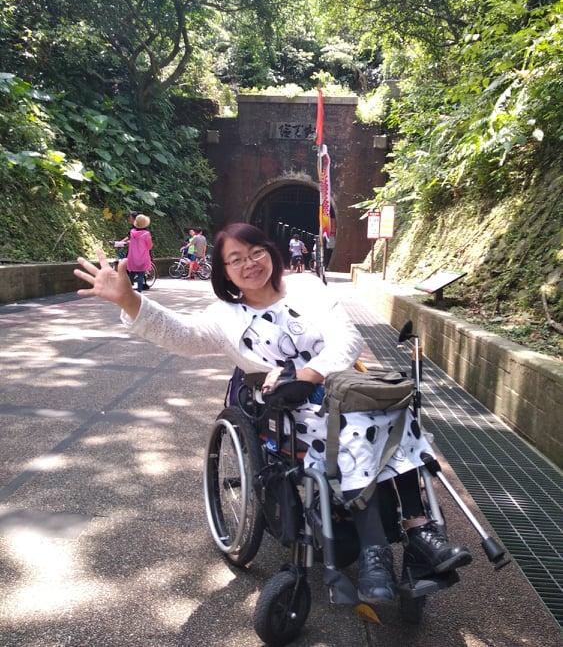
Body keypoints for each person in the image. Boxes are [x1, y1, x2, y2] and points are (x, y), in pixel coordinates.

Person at [73, 222, 470, 604]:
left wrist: (310, 373)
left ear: (271, 253)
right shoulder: (225, 316)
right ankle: (379, 547)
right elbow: (182, 334)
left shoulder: (307, 287)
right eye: (236, 259)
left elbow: (347, 338)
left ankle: (416, 530)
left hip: (342, 391)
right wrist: (129, 299)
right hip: (292, 413)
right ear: (224, 271)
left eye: (256, 252)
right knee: (358, 426)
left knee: (395, 409)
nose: (249, 264)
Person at [126, 214, 153, 293]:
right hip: (142, 257)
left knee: (132, 273)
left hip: (132, 257)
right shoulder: (146, 234)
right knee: (141, 275)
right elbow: (149, 246)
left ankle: (128, 290)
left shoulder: (132, 232)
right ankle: (139, 291)